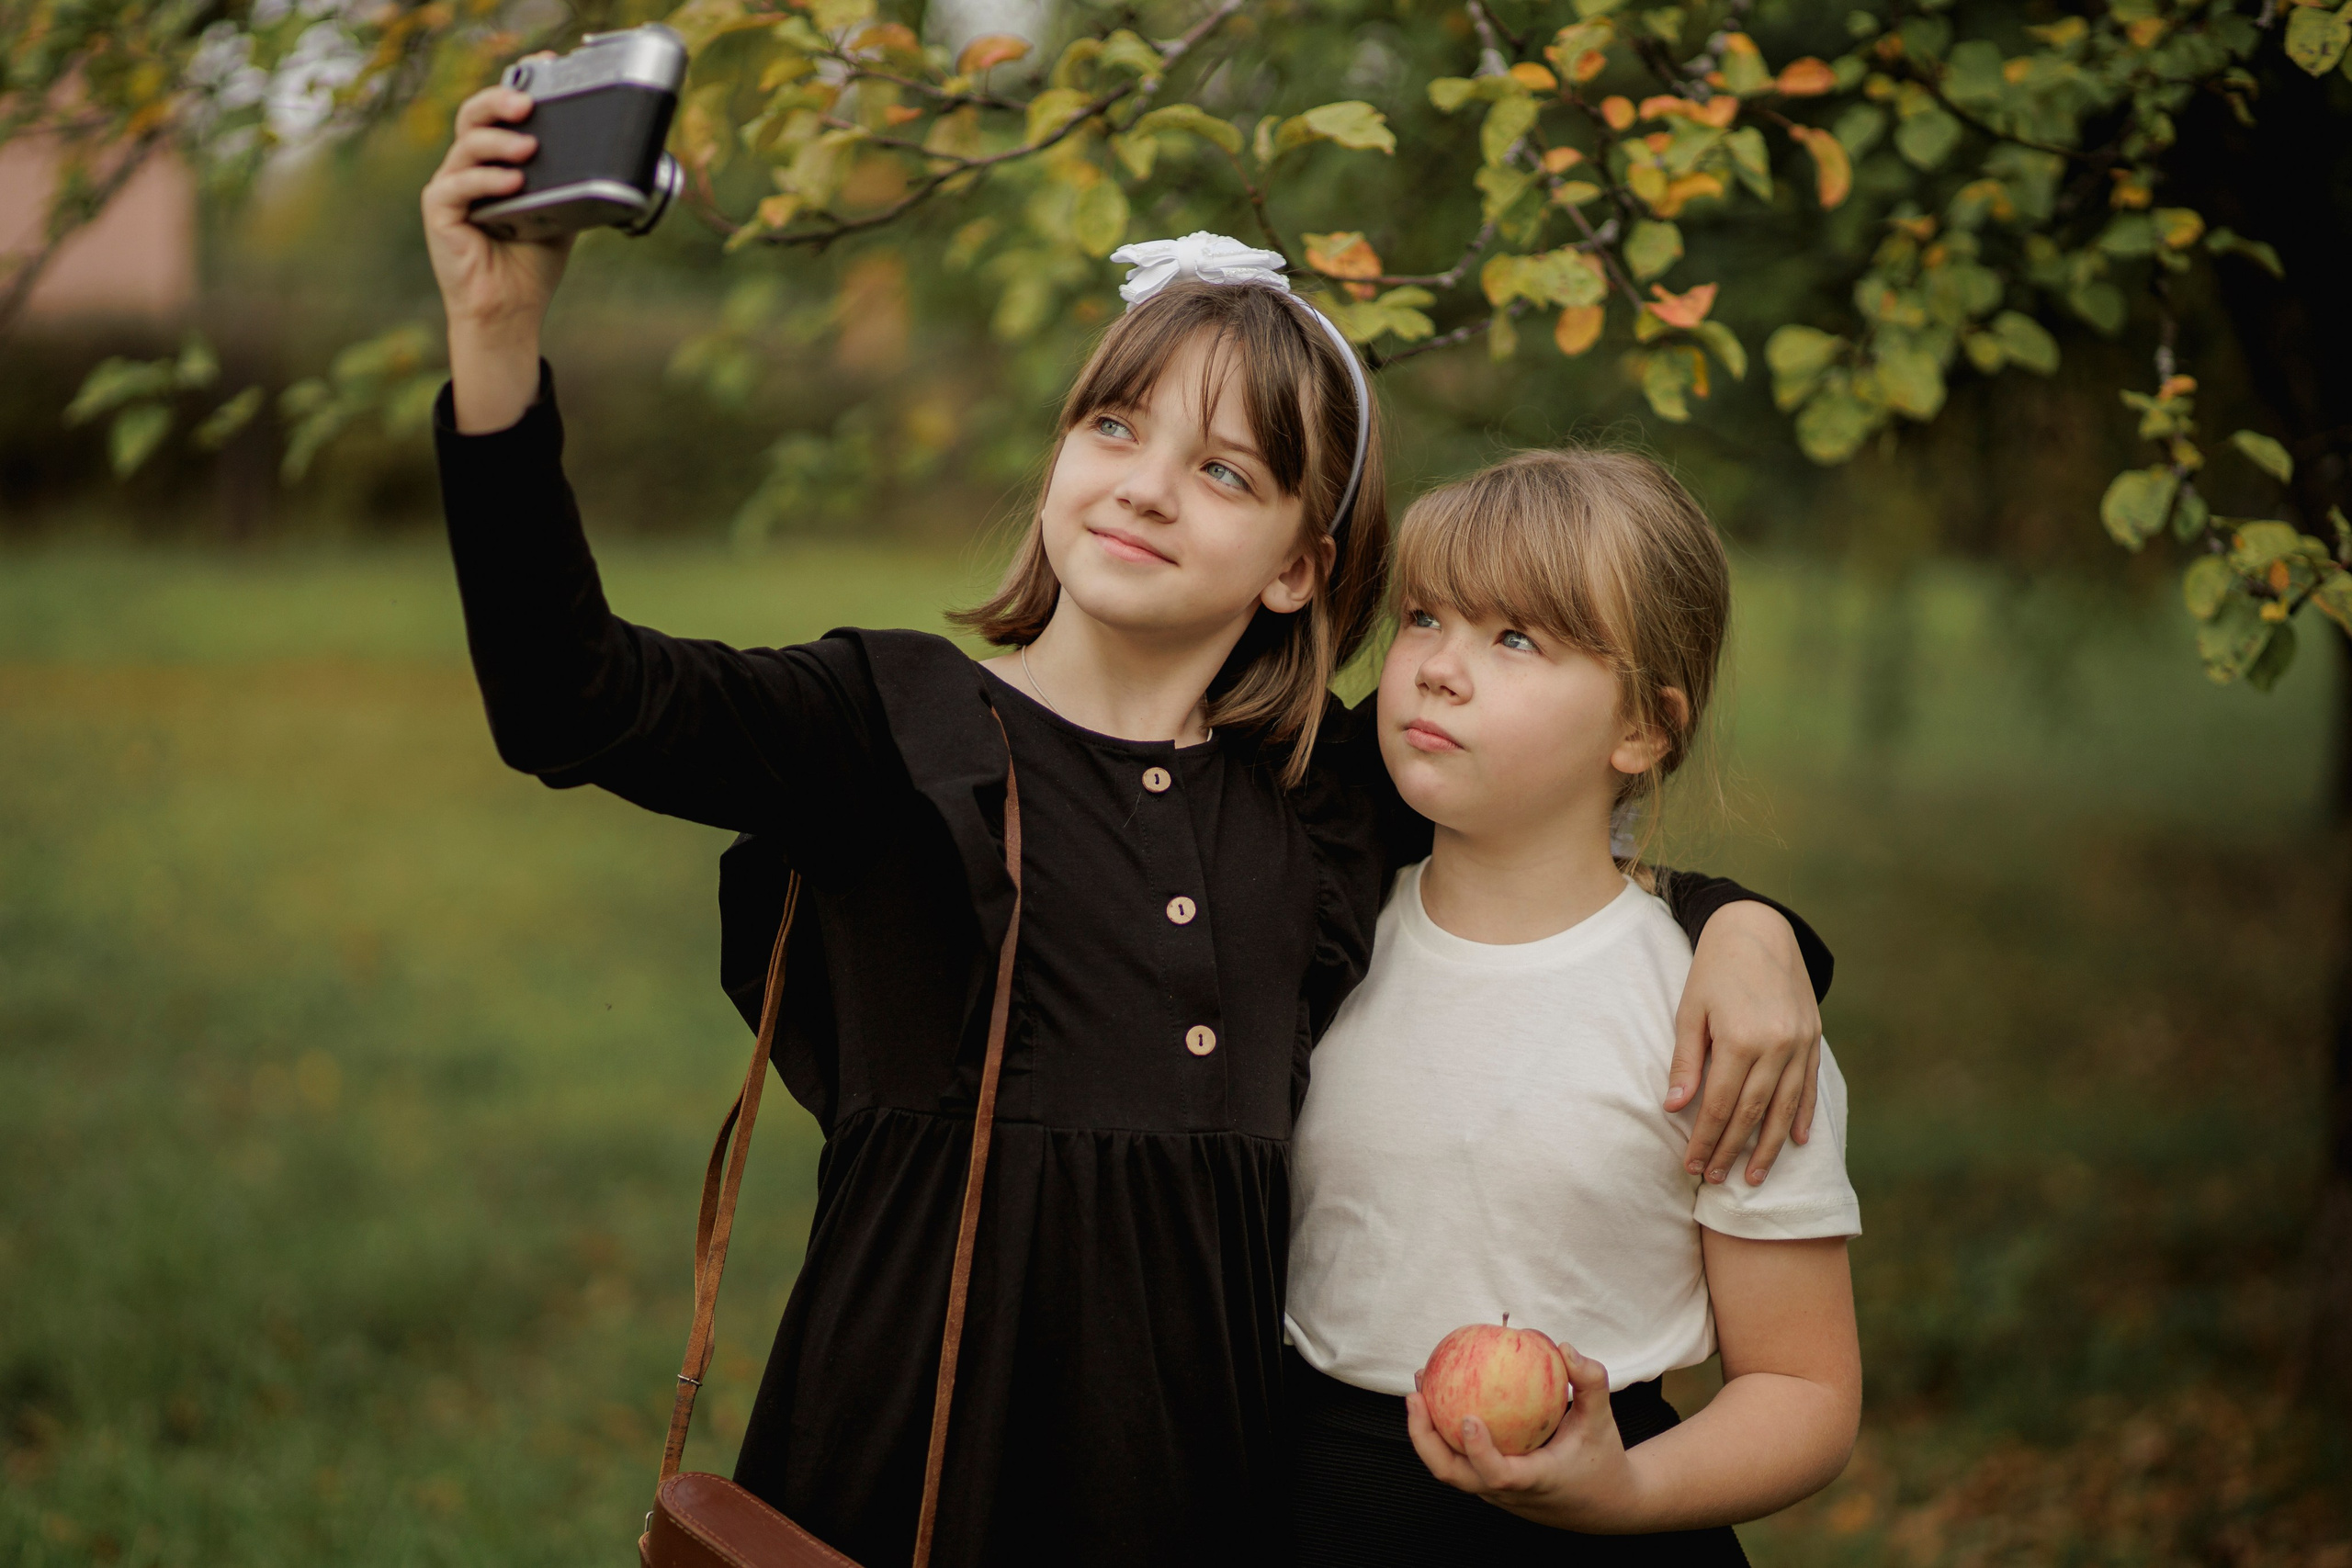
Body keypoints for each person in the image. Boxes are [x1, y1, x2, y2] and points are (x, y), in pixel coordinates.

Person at [422, 77, 1837, 1568]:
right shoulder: (880, 723)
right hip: (905, 1443)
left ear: (1300, 564)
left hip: (1202, 1484)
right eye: (1115, 425)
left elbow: (1558, 837)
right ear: (1060, 455)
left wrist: (1749, 932)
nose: (1148, 487)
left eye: (1225, 471)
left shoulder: (1328, 798)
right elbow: (569, 698)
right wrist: (496, 333)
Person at [1283, 449, 1864, 1564]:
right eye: (1423, 618)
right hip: (1312, 1509)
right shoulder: (1313, 939)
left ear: (1642, 730)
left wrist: (1623, 1495)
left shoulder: (1718, 1018)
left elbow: (1802, 1386)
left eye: (1516, 640)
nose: (1440, 670)